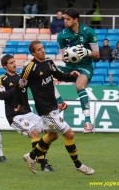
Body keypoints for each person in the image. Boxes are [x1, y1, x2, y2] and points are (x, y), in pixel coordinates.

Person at [15, 40, 94, 175]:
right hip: (45, 109)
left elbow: (59, 74)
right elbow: (20, 86)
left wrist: (70, 75)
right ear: (33, 53)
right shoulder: (30, 68)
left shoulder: (48, 62)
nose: (42, 50)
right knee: (70, 134)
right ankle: (79, 165)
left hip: (53, 106)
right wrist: (22, 105)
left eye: (42, 48)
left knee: (52, 136)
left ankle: (32, 156)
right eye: (39, 49)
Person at [0, 54, 55, 172]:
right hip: (14, 116)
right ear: (5, 66)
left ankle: (34, 155)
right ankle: (43, 163)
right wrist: (17, 88)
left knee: (50, 132)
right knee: (34, 132)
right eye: (11, 63)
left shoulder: (21, 77)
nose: (14, 64)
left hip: (28, 113)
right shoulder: (2, 79)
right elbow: (2, 95)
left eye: (14, 62)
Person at [57, 8, 100, 133]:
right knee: (46, 72)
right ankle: (60, 103)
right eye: (65, 18)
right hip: (70, 67)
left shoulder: (89, 32)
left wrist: (87, 52)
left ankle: (88, 122)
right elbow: (65, 59)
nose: (65, 21)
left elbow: (97, 56)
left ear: (76, 20)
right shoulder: (62, 35)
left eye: (68, 19)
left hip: (85, 66)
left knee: (80, 85)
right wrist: (66, 56)